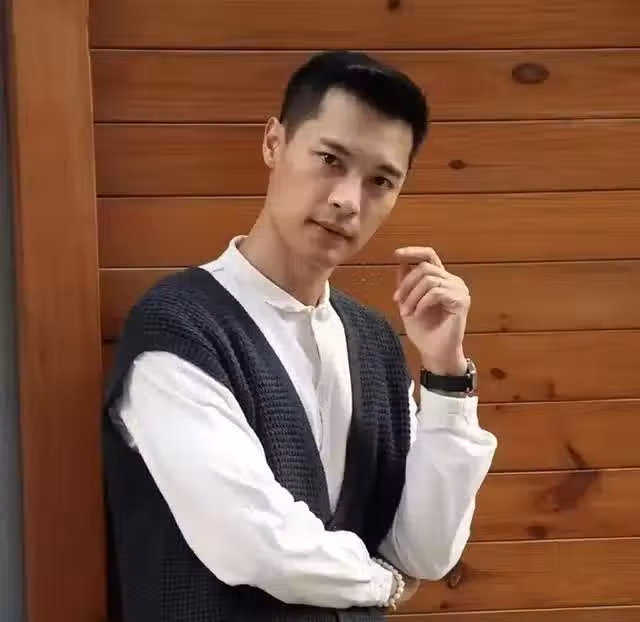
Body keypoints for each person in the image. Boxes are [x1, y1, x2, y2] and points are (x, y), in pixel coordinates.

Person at [102, 50, 497, 621]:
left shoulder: (374, 343)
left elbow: (427, 551)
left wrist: (445, 376)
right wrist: (383, 583)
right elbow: (254, 544)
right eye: (330, 160)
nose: (347, 200)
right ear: (274, 143)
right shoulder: (179, 327)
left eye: (380, 181)